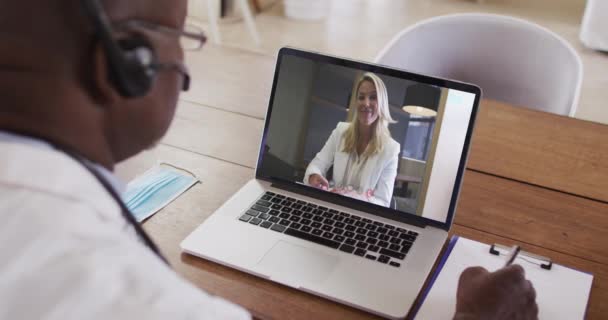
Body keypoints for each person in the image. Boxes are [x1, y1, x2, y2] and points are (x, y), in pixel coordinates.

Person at [0, 1, 537, 319]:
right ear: (128, 64)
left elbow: (377, 195)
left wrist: (337, 188)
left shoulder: (392, 148)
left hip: (369, 225)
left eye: (375, 98)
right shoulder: (131, 298)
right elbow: (312, 171)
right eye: (183, 36)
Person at [304, 73, 400, 207]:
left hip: (362, 216)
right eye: (361, 97)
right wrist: (313, 176)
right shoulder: (340, 131)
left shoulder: (391, 149)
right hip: (331, 207)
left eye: (373, 97)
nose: (366, 103)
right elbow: (317, 164)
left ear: (382, 103)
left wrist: (352, 197)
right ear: (356, 102)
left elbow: (383, 202)